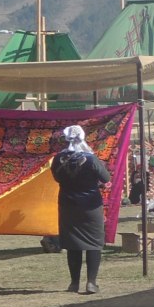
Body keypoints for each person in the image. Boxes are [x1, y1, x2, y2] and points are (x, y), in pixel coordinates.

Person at [50, 124, 111, 294]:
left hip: (68, 205)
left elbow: (56, 178)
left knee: (73, 244)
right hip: (91, 206)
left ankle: (74, 283)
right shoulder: (90, 159)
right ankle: (91, 282)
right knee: (94, 243)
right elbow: (106, 178)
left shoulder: (58, 159)